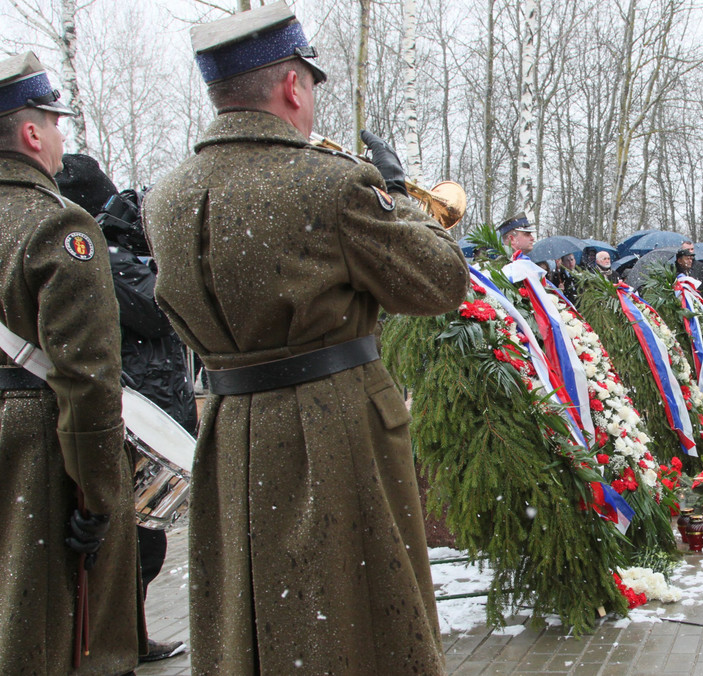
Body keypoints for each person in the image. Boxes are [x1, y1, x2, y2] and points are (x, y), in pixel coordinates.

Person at [141, 4, 470, 673]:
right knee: (360, 620)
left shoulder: (165, 198)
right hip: (334, 425)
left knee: (249, 621)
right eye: (311, 86)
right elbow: (439, 283)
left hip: (231, 431)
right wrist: (401, 194)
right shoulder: (333, 182)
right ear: (293, 85)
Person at [0, 51, 140, 674]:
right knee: (47, 634)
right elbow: (87, 379)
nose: (60, 138)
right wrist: (99, 496)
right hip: (38, 452)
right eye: (55, 123)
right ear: (32, 133)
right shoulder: (56, 226)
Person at [55, 154, 191, 663]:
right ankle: (110, 639)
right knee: (133, 543)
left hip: (158, 405)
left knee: (143, 543)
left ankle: (127, 633)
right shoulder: (102, 257)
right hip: (137, 413)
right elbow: (162, 312)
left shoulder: (123, 250)